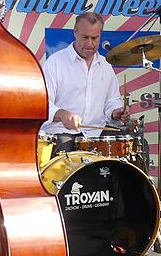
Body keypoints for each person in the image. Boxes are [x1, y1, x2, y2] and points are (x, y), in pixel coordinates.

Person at [40, 12, 130, 155]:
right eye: (85, 37)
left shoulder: (105, 66)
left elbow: (112, 101)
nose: (89, 43)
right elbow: (42, 104)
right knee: (63, 149)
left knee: (128, 146)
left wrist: (116, 113)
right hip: (62, 132)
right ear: (75, 32)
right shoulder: (55, 63)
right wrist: (61, 113)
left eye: (94, 38)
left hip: (96, 134)